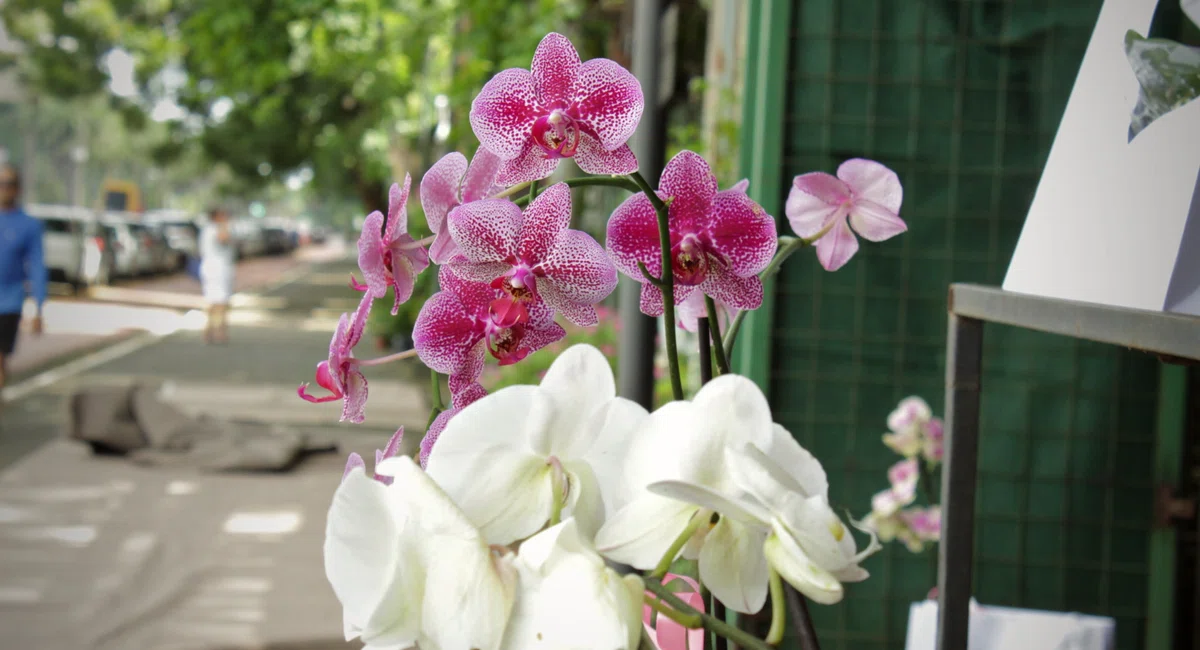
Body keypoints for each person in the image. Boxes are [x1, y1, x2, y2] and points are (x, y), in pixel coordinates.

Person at [0, 163, 46, 398]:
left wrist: (38, 307)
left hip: (8, 302)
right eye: (1, 184)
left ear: (17, 189)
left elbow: (37, 266)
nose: (4, 189)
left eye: (9, 184)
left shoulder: (29, 225)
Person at [199, 207, 236, 344]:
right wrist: (225, 225)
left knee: (212, 299)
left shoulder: (207, 229)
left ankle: (210, 329)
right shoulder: (216, 229)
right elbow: (224, 238)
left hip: (211, 267)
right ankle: (219, 330)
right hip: (218, 269)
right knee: (221, 301)